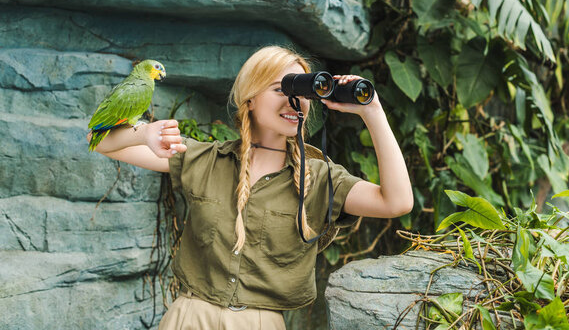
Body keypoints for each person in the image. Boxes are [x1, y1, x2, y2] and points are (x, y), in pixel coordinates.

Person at [87, 46, 413, 329]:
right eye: (280, 88)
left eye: (303, 91)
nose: (294, 100)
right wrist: (142, 134)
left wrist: (372, 110)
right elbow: (98, 141)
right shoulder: (205, 159)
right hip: (189, 318)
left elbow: (396, 202)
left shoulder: (321, 180)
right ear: (251, 99)